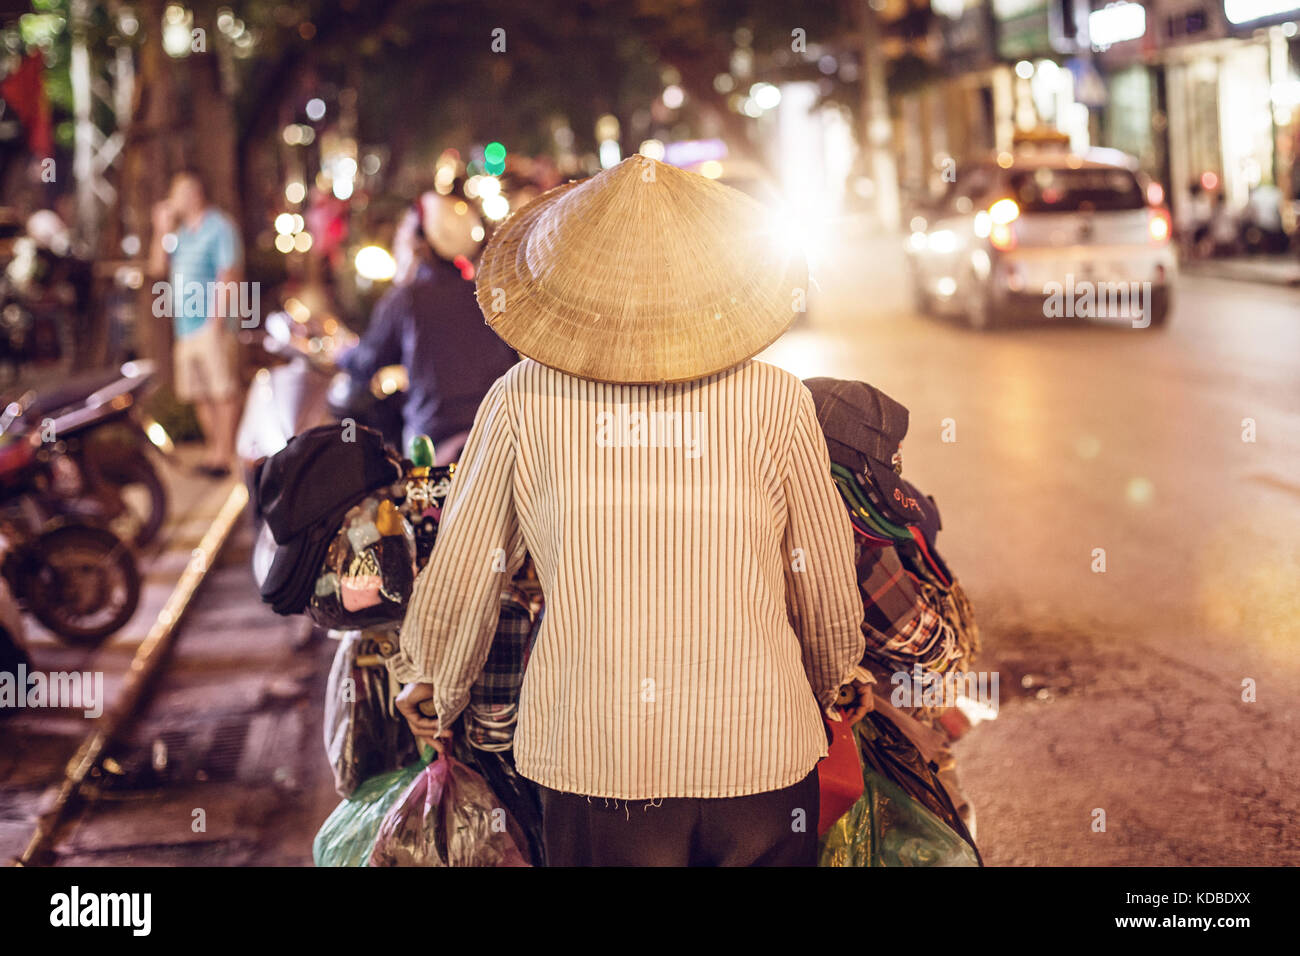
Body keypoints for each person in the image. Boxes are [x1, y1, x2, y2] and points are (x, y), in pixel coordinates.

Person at [389, 155, 872, 867]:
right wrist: (840, 671)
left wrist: (434, 677)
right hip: (762, 757)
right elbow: (820, 567)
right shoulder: (776, 399)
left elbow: (471, 563)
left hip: (597, 761)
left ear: (575, 285)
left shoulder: (523, 400)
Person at [338, 191, 519, 463]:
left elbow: (367, 360)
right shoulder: (487, 294)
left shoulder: (407, 299)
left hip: (437, 440)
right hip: (503, 433)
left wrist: (341, 353)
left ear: (422, 243)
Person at [148, 170, 243, 478]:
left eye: (177, 194)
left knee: (222, 390)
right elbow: (156, 266)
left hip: (210, 325)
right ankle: (214, 452)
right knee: (200, 393)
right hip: (185, 328)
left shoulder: (219, 226)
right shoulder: (180, 234)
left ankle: (226, 455)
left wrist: (216, 322)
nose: (173, 201)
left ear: (194, 194)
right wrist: (160, 230)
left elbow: (228, 273)